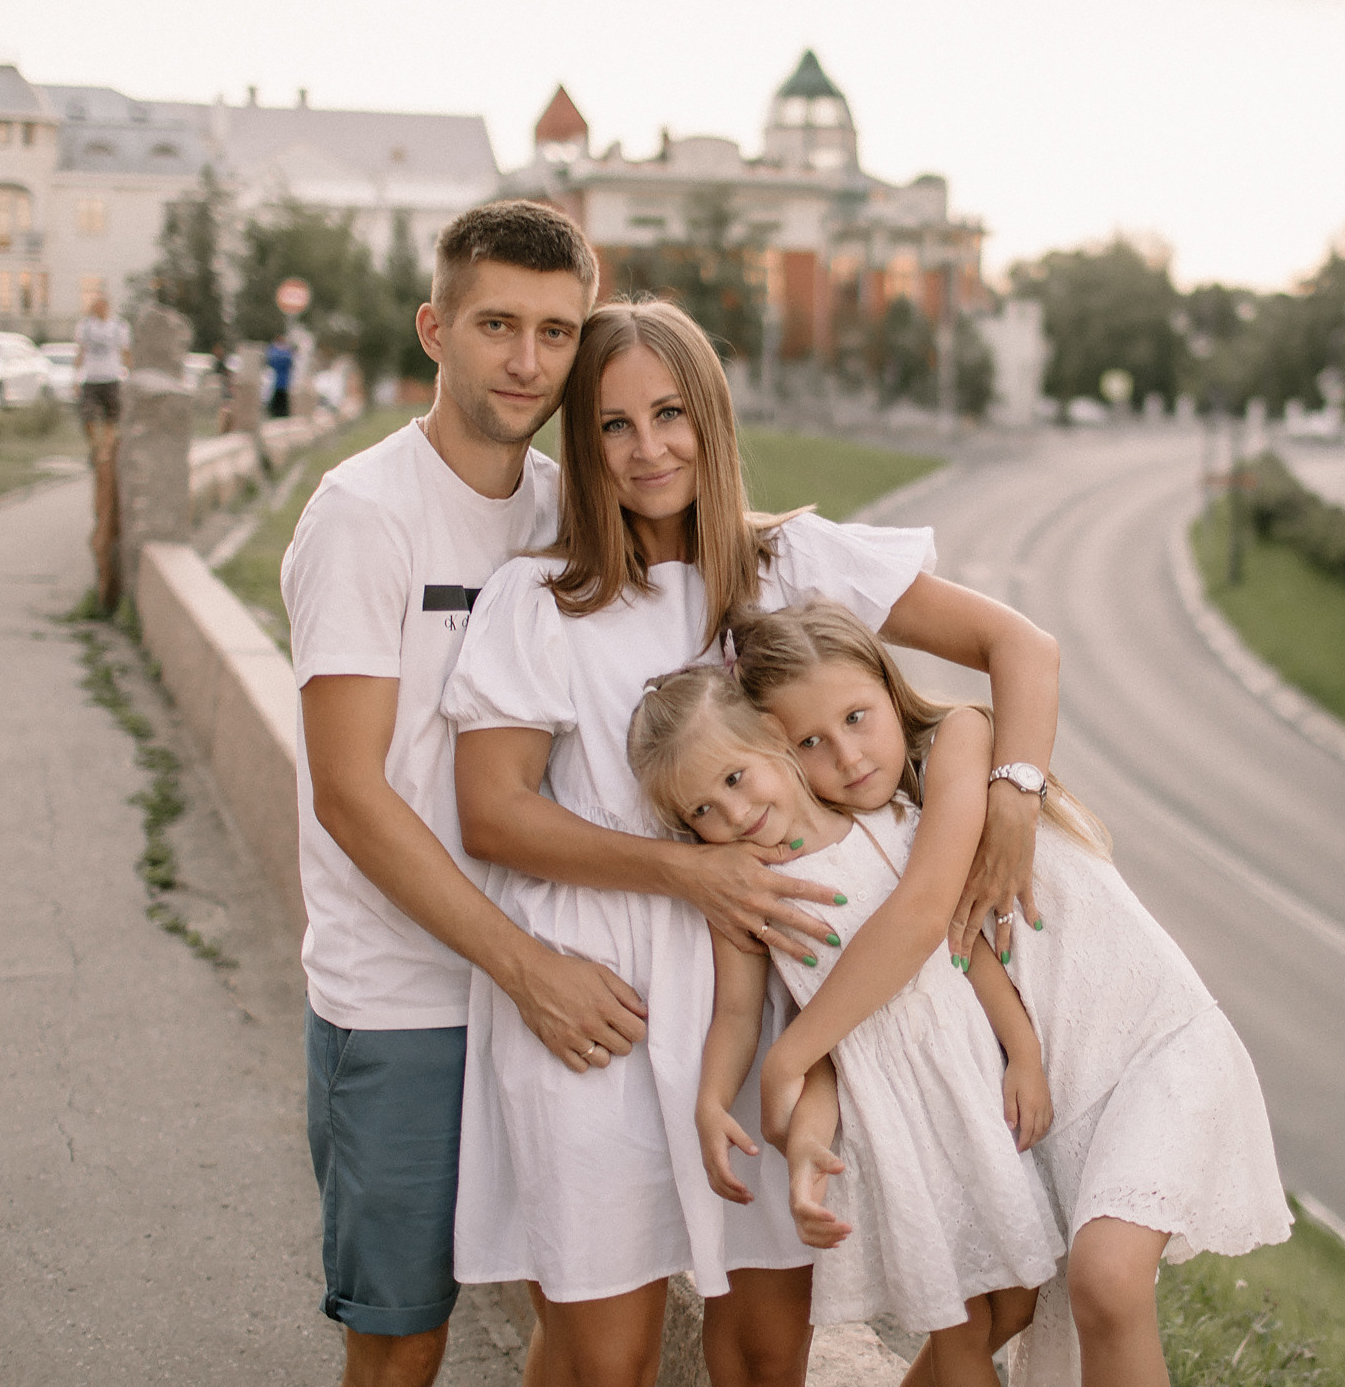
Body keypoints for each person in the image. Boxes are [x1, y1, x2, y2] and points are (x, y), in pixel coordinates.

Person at [442, 298, 1060, 1387]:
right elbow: (494, 812)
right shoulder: (538, 599)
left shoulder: (794, 562)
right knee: (605, 1358)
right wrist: (693, 870)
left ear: (712, 418)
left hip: (778, 991)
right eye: (613, 425)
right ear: (581, 445)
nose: (648, 449)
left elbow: (1019, 646)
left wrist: (1013, 794)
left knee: (771, 1352)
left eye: (671, 412)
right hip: (600, 998)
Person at [284, 201, 657, 1387]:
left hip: (551, 985)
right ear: (435, 328)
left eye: (558, 331)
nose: (528, 360)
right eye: (498, 324)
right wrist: (521, 963)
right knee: (402, 1338)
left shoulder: (568, 510)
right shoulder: (364, 516)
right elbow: (350, 792)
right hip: (403, 999)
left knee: (580, 1314)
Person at [733, 599, 1293, 1387]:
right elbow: (857, 1004)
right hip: (1047, 1084)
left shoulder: (961, 741)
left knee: (1105, 1281)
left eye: (859, 716)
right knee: (1010, 1311)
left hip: (1145, 1038)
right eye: (811, 744)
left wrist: (789, 1054)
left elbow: (927, 913)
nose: (849, 755)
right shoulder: (856, 846)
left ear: (891, 693)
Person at [631, 665, 1061, 1387]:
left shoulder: (887, 824)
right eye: (702, 811)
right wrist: (712, 1102)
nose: (732, 817)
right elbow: (743, 1016)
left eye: (735, 779)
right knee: (961, 1333)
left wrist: (1023, 1054)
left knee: (1015, 1302)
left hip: (971, 1089)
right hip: (883, 1113)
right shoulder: (748, 892)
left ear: (773, 739)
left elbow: (967, 950)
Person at [72, 295, 130, 443]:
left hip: (111, 377)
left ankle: (106, 449)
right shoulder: (85, 326)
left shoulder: (119, 326)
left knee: (111, 417)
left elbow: (125, 352)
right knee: (87, 415)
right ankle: (95, 445)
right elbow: (81, 352)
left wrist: (129, 376)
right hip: (91, 377)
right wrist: (76, 378)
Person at [267, 335, 295, 418]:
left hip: (278, 381)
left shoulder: (275, 352)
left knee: (279, 400)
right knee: (280, 400)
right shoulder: (286, 353)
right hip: (280, 381)